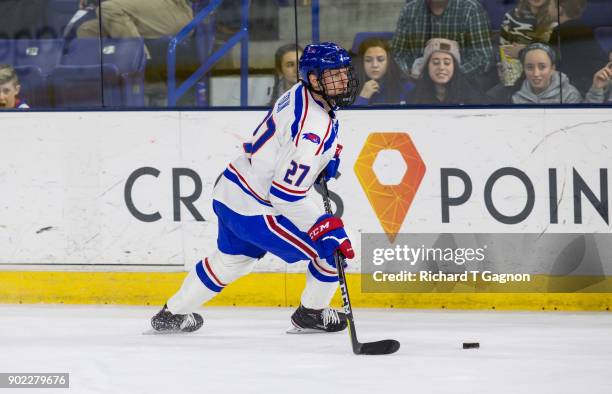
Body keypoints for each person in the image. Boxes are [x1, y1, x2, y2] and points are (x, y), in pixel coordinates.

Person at [150, 42, 360, 334]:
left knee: (230, 262)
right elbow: (286, 195)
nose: (344, 81)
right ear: (314, 79)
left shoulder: (300, 94)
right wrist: (322, 226)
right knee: (332, 250)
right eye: (333, 75)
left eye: (344, 73)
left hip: (232, 190)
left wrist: (322, 160)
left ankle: (170, 314)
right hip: (258, 209)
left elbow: (286, 145)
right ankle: (309, 314)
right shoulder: (312, 127)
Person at [390, 0, 494, 82]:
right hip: (418, 84)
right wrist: (412, 72)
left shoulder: (471, 9)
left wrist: (447, 75)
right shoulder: (409, 10)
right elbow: (397, 54)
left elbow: (483, 58)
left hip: (461, 85)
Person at [77, 0, 193, 58]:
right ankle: (105, 82)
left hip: (175, 8)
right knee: (87, 30)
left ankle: (140, 67)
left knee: (109, 8)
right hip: (138, 10)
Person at [549, 0, 608, 95]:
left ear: (560, 10)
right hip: (598, 82)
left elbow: (548, 61)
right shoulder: (584, 29)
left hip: (578, 86)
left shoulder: (558, 32)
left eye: (550, 5)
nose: (547, 9)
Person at [499, 0, 559, 86]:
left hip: (546, 79)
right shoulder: (511, 16)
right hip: (515, 76)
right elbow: (505, 51)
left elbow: (554, 53)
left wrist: (523, 50)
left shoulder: (556, 18)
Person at [408, 38, 483, 105]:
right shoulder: (413, 97)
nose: (441, 67)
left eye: (447, 63)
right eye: (435, 62)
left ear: (454, 67)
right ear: (427, 67)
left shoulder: (471, 96)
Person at [512, 42, 582, 104]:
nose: (536, 73)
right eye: (530, 67)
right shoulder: (513, 95)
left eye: (542, 67)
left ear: (552, 68)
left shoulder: (569, 95)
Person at [353, 38, 411, 105]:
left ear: (388, 62)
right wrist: (363, 97)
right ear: (362, 63)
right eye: (368, 60)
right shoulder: (351, 87)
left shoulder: (404, 86)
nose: (375, 65)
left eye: (380, 60)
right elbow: (347, 115)